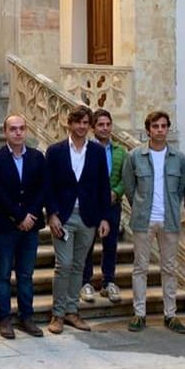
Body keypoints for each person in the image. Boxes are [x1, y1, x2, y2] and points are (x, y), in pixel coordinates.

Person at [44, 105, 111, 334]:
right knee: (63, 265)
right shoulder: (55, 151)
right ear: (69, 124)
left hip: (88, 217)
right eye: (78, 122)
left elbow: (104, 186)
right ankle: (58, 314)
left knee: (79, 266)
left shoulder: (97, 152)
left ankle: (72, 311)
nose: (82, 127)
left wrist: (104, 218)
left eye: (85, 123)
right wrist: (51, 214)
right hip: (63, 217)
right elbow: (48, 186)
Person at [121, 111, 185, 334]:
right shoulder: (135, 156)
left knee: (169, 268)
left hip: (169, 220)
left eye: (163, 126)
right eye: (155, 126)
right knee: (140, 268)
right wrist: (139, 206)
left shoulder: (178, 158)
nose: (160, 130)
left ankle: (171, 314)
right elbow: (129, 188)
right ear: (148, 129)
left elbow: (180, 189)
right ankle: (139, 313)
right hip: (144, 220)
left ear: (168, 128)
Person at [0, 115, 47, 339]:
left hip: (31, 225)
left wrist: (31, 215)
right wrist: (19, 215)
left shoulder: (37, 157)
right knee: (3, 273)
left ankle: (26, 317)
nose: (18, 133)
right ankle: (5, 318)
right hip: (5, 224)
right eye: (13, 129)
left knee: (25, 274)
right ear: (5, 132)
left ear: (26, 131)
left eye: (21, 128)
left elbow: (42, 189)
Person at [80, 109, 125, 304]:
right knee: (87, 244)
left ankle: (108, 281)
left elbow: (126, 178)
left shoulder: (120, 151)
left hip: (113, 204)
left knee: (110, 245)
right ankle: (85, 282)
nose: (105, 128)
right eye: (100, 125)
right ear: (93, 128)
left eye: (108, 124)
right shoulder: (85, 149)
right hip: (91, 204)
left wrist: (116, 191)